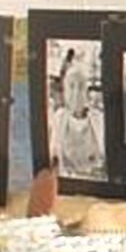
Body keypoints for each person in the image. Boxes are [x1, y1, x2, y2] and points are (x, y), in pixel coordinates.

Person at [49, 49, 106, 180]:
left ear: (87, 91)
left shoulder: (98, 118)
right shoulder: (59, 118)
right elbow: (52, 158)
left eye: (81, 86)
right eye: (71, 86)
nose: (76, 93)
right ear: (65, 91)